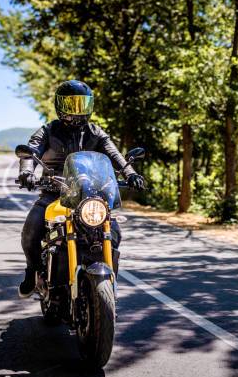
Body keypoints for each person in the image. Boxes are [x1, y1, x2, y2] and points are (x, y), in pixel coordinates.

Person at [17, 80, 145, 298]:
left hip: (88, 196)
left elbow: (115, 155)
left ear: (90, 105)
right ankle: (32, 272)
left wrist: (130, 172)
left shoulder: (95, 132)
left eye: (82, 104)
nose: (77, 111)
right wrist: (27, 171)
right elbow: (31, 152)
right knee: (31, 232)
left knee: (114, 232)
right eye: (71, 105)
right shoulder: (49, 130)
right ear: (60, 106)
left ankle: (107, 281)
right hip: (54, 194)